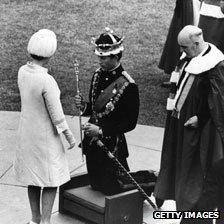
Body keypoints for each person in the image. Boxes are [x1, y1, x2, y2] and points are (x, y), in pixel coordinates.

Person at [154, 25, 224, 211]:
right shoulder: (190, 56)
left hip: (199, 129)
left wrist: (200, 118)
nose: (181, 51)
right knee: (176, 158)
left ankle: (192, 206)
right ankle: (173, 194)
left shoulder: (215, 65)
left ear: (196, 43)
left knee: (192, 164)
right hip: (180, 120)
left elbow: (218, 101)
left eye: (184, 47)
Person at [14, 29, 76, 224]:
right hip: (45, 138)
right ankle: (46, 222)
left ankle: (35, 219)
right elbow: (57, 115)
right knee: (51, 180)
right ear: (50, 53)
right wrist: (69, 135)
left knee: (33, 178)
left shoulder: (22, 71)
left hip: (27, 134)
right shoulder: (47, 80)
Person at [74, 27, 139, 195]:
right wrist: (84, 107)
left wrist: (101, 130)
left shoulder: (128, 85)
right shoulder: (97, 75)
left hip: (111, 145)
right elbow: (96, 110)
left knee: (114, 188)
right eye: (99, 57)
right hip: (92, 142)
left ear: (116, 57)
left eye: (104, 58)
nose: (100, 61)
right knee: (96, 185)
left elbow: (130, 123)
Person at [159, 0, 201, 88]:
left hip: (190, 5)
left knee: (187, 36)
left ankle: (184, 76)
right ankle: (177, 76)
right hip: (184, 5)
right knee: (178, 37)